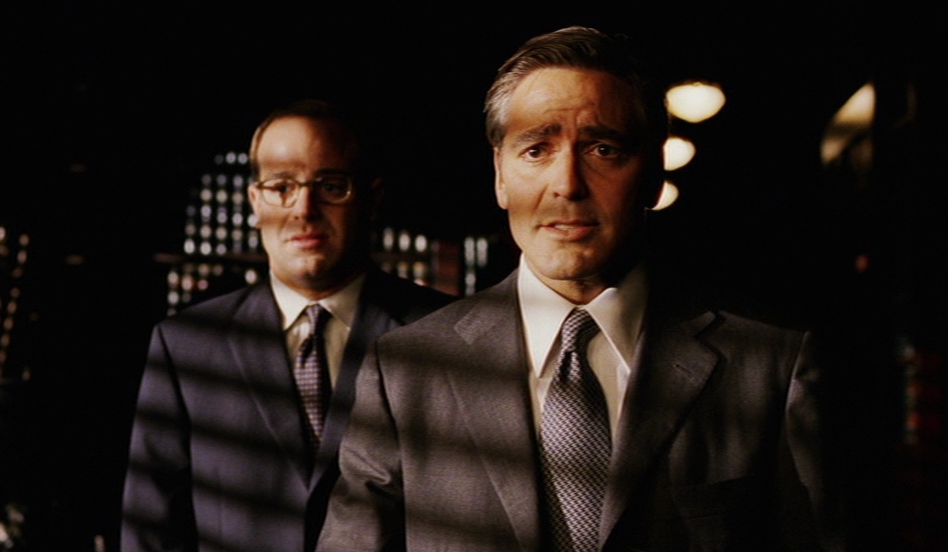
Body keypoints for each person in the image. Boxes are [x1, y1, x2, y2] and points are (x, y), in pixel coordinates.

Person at [317, 27, 845, 551]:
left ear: (653, 173)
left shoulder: (769, 362)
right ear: (500, 175)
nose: (567, 184)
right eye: (536, 150)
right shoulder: (407, 371)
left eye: (603, 149)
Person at [121, 99, 453, 552]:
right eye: (281, 187)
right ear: (255, 202)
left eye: (331, 186)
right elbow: (151, 530)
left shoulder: (445, 333)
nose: (304, 210)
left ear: (373, 199)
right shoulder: (186, 347)